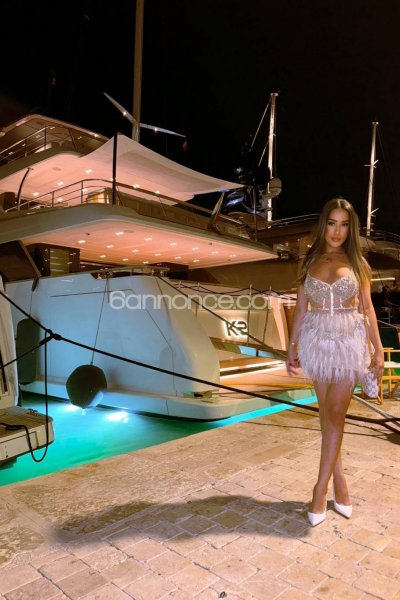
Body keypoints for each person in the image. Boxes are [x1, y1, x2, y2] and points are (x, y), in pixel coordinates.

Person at [286, 198, 384, 526]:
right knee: (327, 417)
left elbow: (367, 308)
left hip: (347, 342)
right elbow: (301, 308)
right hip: (316, 342)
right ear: (323, 225)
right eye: (332, 223)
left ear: (350, 229)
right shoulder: (309, 260)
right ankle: (340, 484)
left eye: (344, 224)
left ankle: (319, 490)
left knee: (335, 414)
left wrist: (378, 350)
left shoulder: (357, 263)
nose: (337, 231)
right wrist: (292, 346)